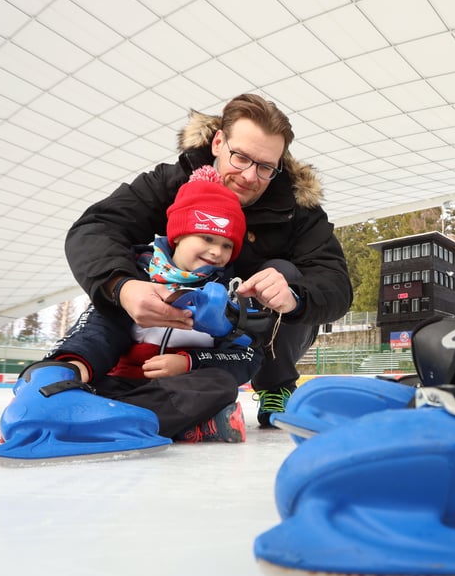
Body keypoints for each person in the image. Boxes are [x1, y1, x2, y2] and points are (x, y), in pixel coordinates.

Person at [65, 94, 352, 428]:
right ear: (218, 142)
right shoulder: (171, 184)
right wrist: (122, 286)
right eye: (240, 157)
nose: (249, 176)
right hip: (171, 323)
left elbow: (335, 282)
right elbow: (95, 228)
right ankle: (108, 375)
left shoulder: (297, 210)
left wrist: (294, 297)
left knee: (285, 274)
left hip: (243, 334)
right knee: (123, 267)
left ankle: (276, 385)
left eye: (265, 167)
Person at [44, 167, 257, 441]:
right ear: (178, 235)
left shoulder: (230, 293)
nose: (217, 251)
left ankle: (100, 422)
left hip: (175, 392)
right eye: (207, 238)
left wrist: (189, 362)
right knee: (77, 383)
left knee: (220, 384)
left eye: (227, 245)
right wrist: (75, 362)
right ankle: (170, 425)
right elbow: (100, 328)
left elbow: (246, 356)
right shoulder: (136, 276)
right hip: (119, 384)